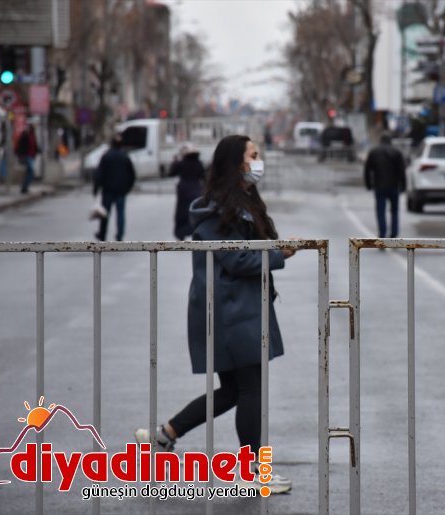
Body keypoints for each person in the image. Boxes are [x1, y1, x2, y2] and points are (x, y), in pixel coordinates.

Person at [134, 135, 295, 493]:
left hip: (238, 308)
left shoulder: (241, 201)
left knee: (234, 390)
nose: (259, 160)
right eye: (253, 155)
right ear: (235, 162)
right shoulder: (216, 209)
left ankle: (164, 436)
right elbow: (236, 259)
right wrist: (279, 254)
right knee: (251, 388)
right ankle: (255, 471)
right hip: (228, 310)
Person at [364, 132, 406, 239]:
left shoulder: (374, 152)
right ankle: (394, 233)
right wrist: (403, 186)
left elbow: (367, 170)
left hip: (380, 186)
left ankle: (382, 233)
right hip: (394, 186)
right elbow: (402, 171)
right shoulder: (396, 152)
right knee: (394, 210)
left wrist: (368, 184)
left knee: (380, 210)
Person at [93, 135, 136, 241]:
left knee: (105, 213)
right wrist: (128, 187)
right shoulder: (125, 156)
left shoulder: (106, 156)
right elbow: (132, 174)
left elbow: (99, 173)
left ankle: (102, 235)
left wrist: (96, 188)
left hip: (108, 190)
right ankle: (120, 235)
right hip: (121, 190)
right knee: (120, 213)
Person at [169, 143, 205, 240]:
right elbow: (204, 177)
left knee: (182, 213)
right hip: (197, 189)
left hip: (183, 190)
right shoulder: (199, 163)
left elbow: (171, 173)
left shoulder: (181, 163)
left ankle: (181, 233)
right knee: (195, 211)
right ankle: (195, 231)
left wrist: (175, 161)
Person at [15, 123, 38, 194]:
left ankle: (25, 187)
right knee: (31, 171)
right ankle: (24, 186)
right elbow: (20, 146)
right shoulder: (24, 135)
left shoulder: (32, 135)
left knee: (29, 172)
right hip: (26, 156)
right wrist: (20, 155)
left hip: (31, 156)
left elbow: (34, 145)